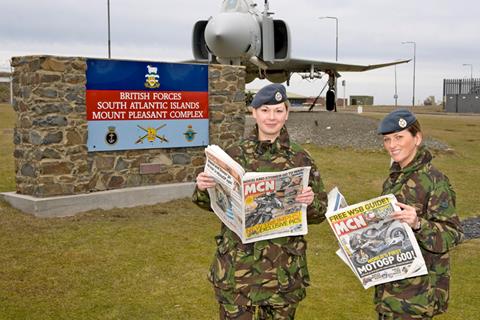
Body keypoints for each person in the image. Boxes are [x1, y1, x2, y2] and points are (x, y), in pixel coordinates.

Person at [193, 83, 327, 319]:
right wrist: (204, 188)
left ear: (287, 114)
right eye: (265, 110)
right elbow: (207, 203)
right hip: (236, 269)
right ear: (253, 112)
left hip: (282, 272)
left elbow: (320, 212)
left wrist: (309, 201)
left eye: (278, 111)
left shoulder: (301, 158)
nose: (271, 117)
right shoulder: (233, 154)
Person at [375, 109, 464, 320]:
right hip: (390, 294)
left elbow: (453, 234)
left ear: (417, 138)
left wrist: (418, 224)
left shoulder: (434, 180)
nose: (392, 145)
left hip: (417, 299)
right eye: (387, 139)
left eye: (399, 137)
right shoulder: (393, 180)